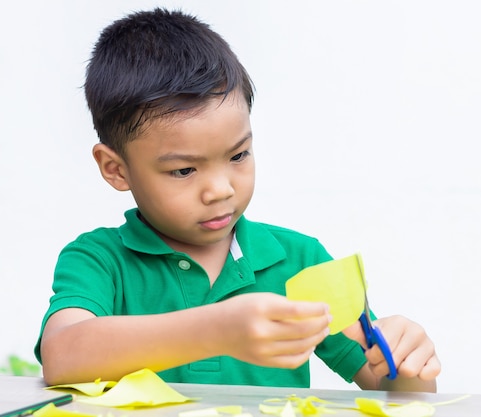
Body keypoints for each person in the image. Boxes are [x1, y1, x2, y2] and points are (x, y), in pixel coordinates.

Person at [35, 8, 440, 392]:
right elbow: (62, 356)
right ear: (116, 169)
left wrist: (406, 366)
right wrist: (217, 330)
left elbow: (390, 390)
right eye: (184, 170)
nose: (221, 190)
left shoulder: (301, 260)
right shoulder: (99, 260)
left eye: (238, 155)